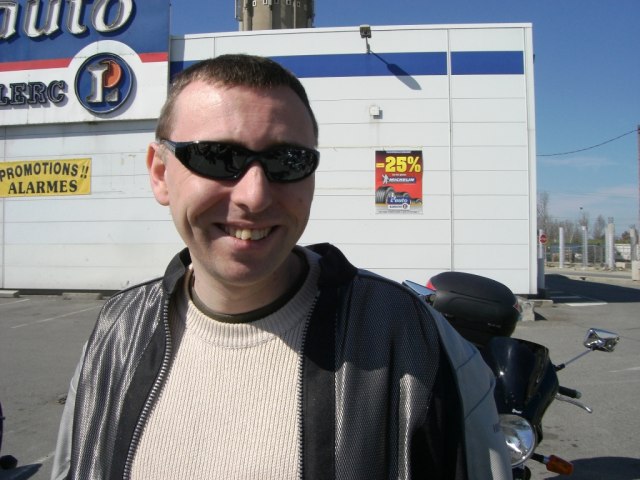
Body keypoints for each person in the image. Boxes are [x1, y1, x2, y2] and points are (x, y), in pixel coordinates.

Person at [51, 54, 510, 480]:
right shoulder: (115, 334)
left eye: (288, 161)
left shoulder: (414, 342)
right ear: (159, 173)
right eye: (218, 157)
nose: (254, 196)